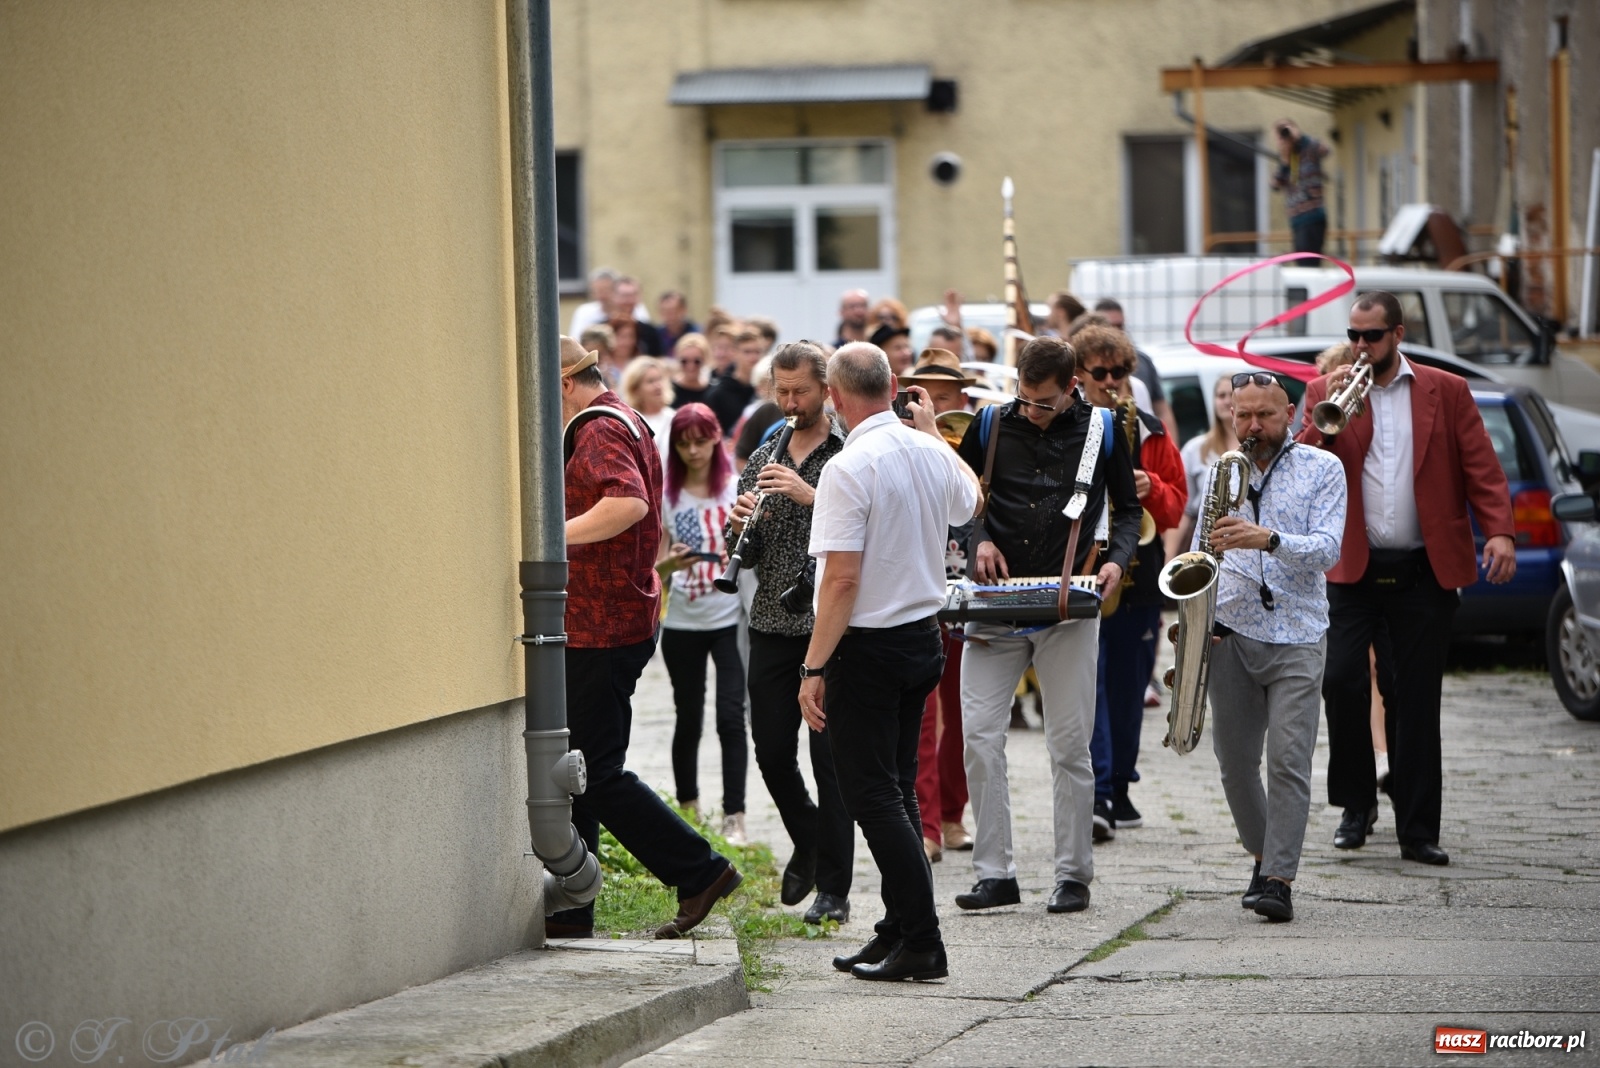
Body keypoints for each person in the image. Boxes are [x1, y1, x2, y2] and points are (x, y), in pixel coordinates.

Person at [1296, 291, 1516, 866]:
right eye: (1353, 335)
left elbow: (1482, 466)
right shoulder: (1326, 391)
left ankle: (1417, 829)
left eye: (1371, 336)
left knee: (1414, 697)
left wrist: (1499, 531)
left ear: (1397, 334)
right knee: (1342, 681)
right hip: (1352, 567)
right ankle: (1356, 805)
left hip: (1423, 569)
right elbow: (1302, 467)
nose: (1360, 346)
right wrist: (1331, 417)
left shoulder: (1447, 390)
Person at [799, 342, 981, 982]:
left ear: (833, 397)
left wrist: (813, 667)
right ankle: (899, 929)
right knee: (896, 791)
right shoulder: (928, 449)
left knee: (873, 796)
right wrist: (934, 435)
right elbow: (972, 502)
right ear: (894, 384)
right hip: (920, 639)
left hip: (870, 646)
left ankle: (923, 941)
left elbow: (841, 580)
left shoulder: (848, 466)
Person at [549, 337, 741, 941]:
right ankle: (573, 908)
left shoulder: (599, 427)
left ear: (563, 384)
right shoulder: (626, 417)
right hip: (611, 620)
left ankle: (700, 871)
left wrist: (549, 536)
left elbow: (628, 504)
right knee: (578, 768)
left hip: (602, 627)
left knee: (596, 771)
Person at [954, 336, 1141, 916]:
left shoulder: (1102, 429)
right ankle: (994, 874)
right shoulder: (989, 423)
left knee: (1069, 746)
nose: (1031, 410)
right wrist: (979, 540)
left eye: (1044, 401)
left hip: (1068, 606)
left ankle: (1073, 875)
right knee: (979, 738)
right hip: (995, 606)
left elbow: (1129, 510)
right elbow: (959, 502)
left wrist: (1117, 560)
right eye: (1024, 397)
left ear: (1072, 388)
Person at [1203, 371, 1347, 922]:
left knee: (1288, 760)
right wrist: (1195, 616)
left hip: (1298, 632)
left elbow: (1328, 550)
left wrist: (1268, 540)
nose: (1253, 426)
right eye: (1243, 415)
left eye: (1265, 415)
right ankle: (1264, 856)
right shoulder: (1221, 470)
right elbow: (1201, 549)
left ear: (1290, 414)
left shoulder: (1323, 468)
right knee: (1235, 765)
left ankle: (1279, 880)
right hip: (1230, 631)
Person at [725, 341, 855, 925]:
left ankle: (835, 889)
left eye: (800, 391)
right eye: (781, 391)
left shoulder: (846, 452)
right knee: (772, 750)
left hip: (828, 625)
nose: (790, 402)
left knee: (830, 758)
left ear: (826, 389)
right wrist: (737, 527)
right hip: (772, 623)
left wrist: (810, 496)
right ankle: (810, 838)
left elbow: (866, 527)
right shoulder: (765, 451)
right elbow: (746, 555)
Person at [1073, 326, 1187, 839]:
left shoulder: (1151, 431)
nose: (1111, 381)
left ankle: (1119, 784)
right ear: (1079, 375)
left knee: (1127, 687)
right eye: (1100, 372)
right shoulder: (1069, 425)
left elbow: (1177, 505)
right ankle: (1097, 790)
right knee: (1088, 685)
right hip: (1083, 570)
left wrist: (1152, 485)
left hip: (1137, 575)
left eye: (1120, 372)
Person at [899, 349, 980, 862]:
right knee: (923, 717)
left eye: (944, 395)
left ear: (961, 398)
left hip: (969, 595)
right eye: (922, 394)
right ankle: (926, 823)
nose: (932, 403)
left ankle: (953, 815)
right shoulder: (901, 445)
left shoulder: (981, 442)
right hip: (922, 597)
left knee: (965, 712)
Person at [657, 404, 748, 844]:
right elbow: (653, 570)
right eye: (683, 443)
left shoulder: (734, 488)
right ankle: (688, 810)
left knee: (731, 717)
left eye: (701, 441)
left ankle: (735, 816)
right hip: (681, 622)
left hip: (728, 619)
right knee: (688, 717)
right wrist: (670, 564)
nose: (693, 451)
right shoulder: (667, 496)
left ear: (716, 439)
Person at [1174, 376, 1240, 565]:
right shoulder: (1194, 449)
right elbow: (1184, 511)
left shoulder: (1259, 448)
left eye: (1231, 395)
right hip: (1204, 543)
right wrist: (1168, 559)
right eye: (1221, 395)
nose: (1226, 401)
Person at [1093, 298, 1176, 439]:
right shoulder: (1085, 365)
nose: (1116, 332)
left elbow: (1162, 410)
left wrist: (1169, 446)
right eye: (1110, 326)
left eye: (1120, 326)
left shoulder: (1142, 363)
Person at [1271, 119, 1331, 258]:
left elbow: (1326, 150)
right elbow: (1275, 185)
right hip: (1297, 219)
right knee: (1302, 261)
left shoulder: (1309, 149)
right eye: (1281, 134)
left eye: (1286, 130)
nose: (1285, 136)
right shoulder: (1287, 158)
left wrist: (1301, 138)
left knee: (1308, 261)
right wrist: (1285, 161)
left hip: (1313, 216)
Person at [705, 328, 766, 436]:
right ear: (735, 353)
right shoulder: (718, 395)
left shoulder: (766, 391)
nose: (753, 357)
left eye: (757, 352)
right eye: (747, 352)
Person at [569, 266, 650, 336]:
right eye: (597, 291)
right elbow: (576, 339)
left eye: (605, 290)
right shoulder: (584, 311)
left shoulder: (635, 308)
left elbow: (646, 335)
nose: (601, 296)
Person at [621, 355, 676, 447]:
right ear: (635, 389)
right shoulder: (629, 423)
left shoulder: (674, 418)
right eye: (651, 381)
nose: (658, 386)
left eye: (659, 379)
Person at [611, 276, 663, 355]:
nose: (628, 300)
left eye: (632, 295)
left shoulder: (650, 332)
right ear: (614, 297)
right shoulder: (602, 328)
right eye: (624, 296)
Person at [669, 333, 713, 409]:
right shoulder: (669, 390)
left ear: (705, 360)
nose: (691, 366)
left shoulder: (712, 392)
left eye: (697, 361)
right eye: (684, 361)